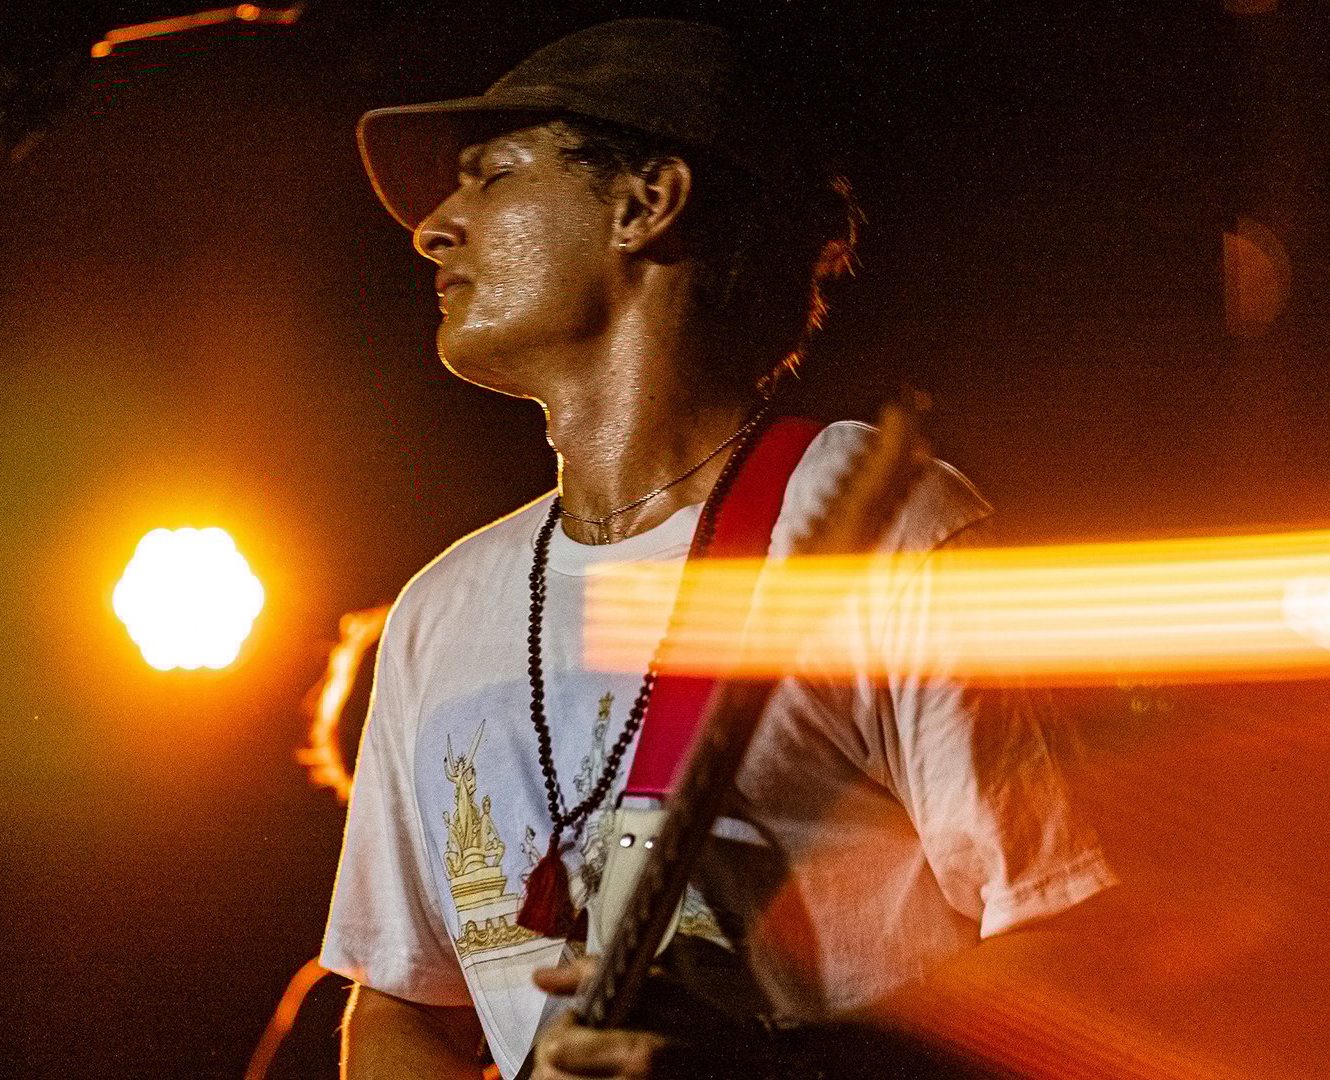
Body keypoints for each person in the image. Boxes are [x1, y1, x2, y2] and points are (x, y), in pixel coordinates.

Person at [320, 19, 1114, 1080]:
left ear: (646, 202)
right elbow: (402, 1011)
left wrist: (774, 1066)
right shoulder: (439, 611)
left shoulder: (871, 523)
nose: (433, 229)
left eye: (493, 177)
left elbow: (1073, 942)